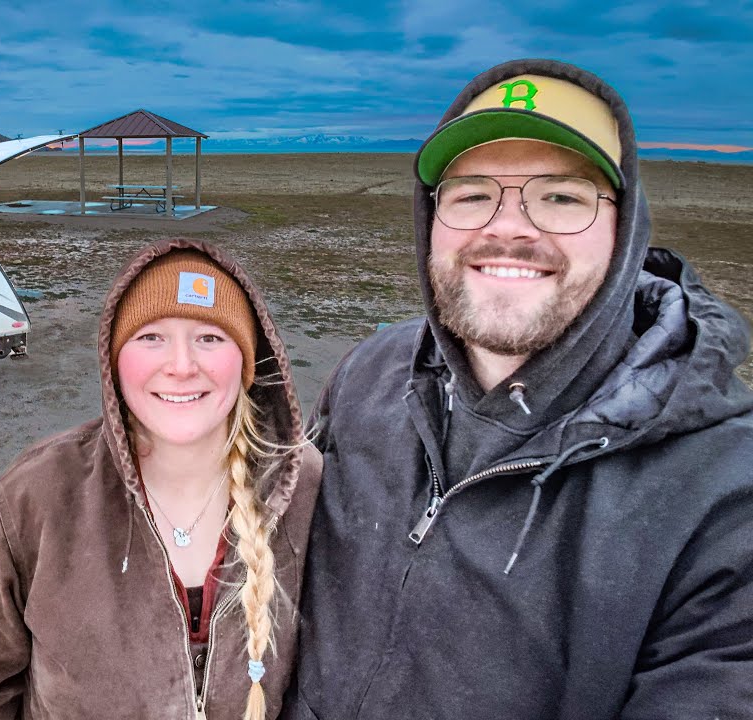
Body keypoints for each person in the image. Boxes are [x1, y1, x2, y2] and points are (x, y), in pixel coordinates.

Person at [285, 58, 753, 719]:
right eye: (472, 194)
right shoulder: (370, 372)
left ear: (625, 232)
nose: (507, 228)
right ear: (430, 220)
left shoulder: (724, 498)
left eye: (562, 197)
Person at [0, 238, 321, 719]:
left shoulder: (306, 489)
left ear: (246, 360)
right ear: (114, 362)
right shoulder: (30, 501)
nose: (181, 366)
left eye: (210, 337)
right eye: (151, 337)